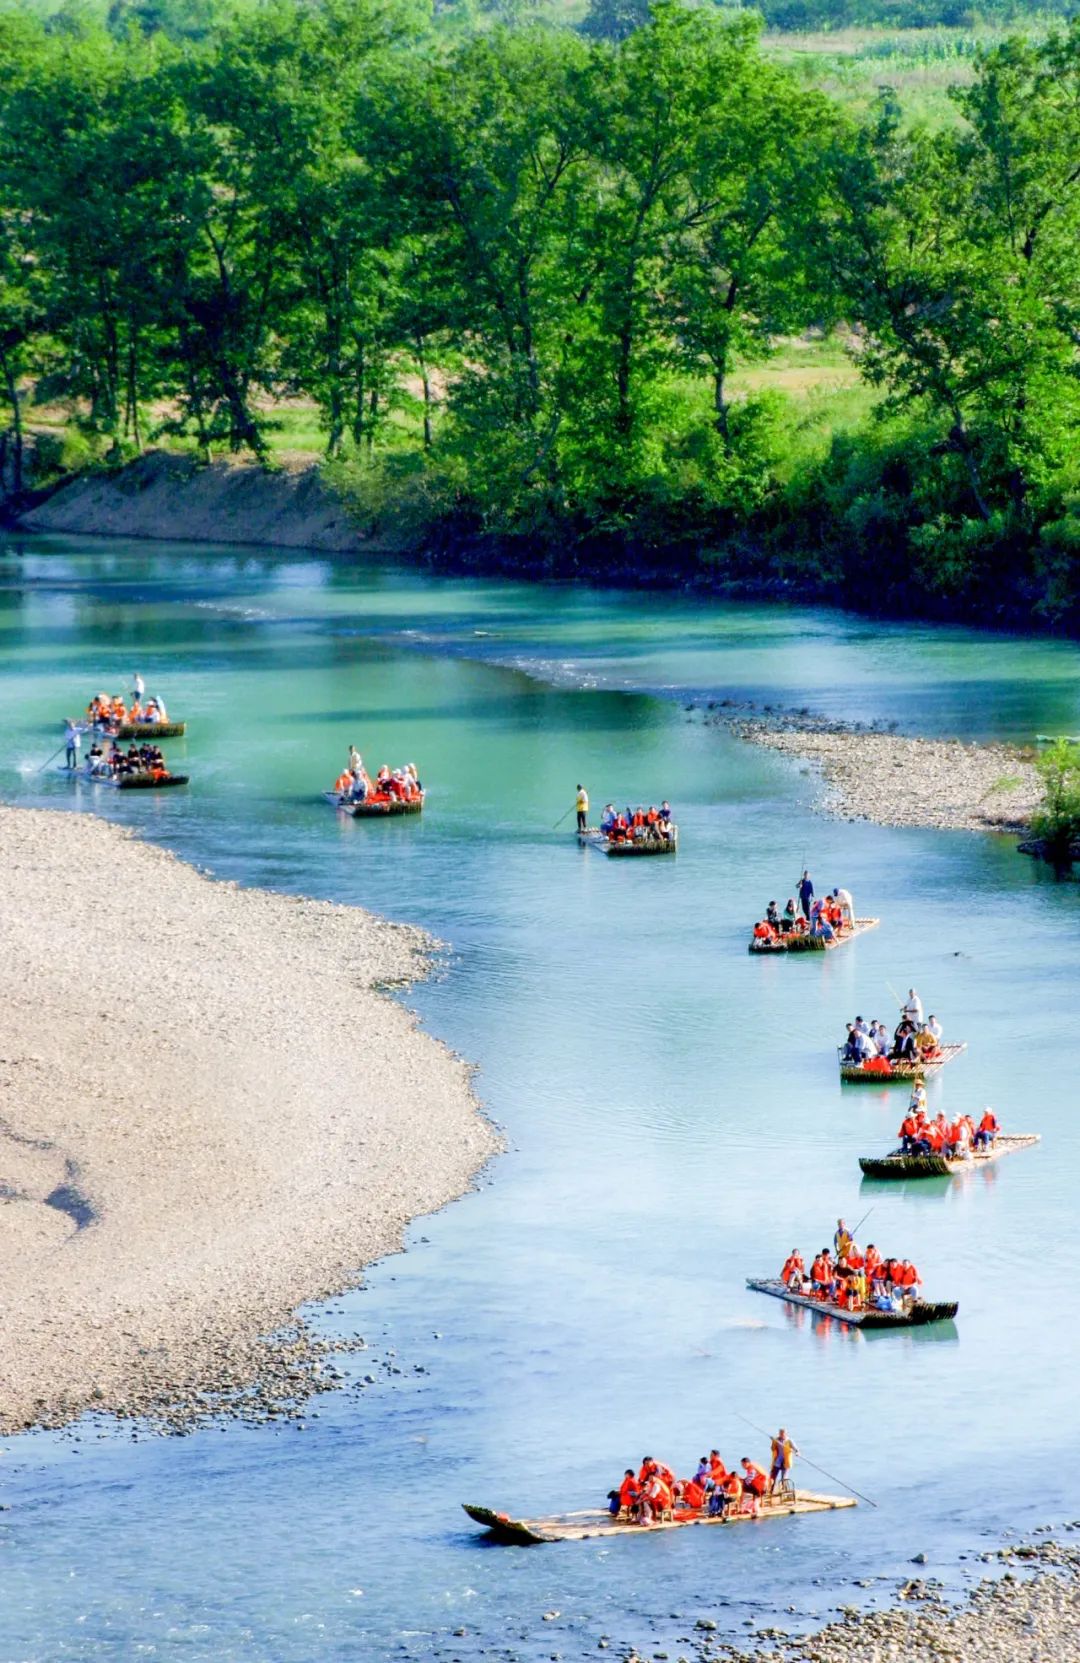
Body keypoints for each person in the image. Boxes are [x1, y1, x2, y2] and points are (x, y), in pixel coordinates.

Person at [769, 1429, 799, 1496]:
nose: (781, 1435)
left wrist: (797, 1452)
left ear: (786, 1434)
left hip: (786, 1461)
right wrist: (773, 1441)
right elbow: (772, 1449)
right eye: (780, 1433)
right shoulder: (776, 1440)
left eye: (783, 1433)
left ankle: (784, 1492)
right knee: (773, 1477)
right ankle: (771, 1491)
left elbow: (796, 1448)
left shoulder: (789, 1440)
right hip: (777, 1461)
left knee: (784, 1478)